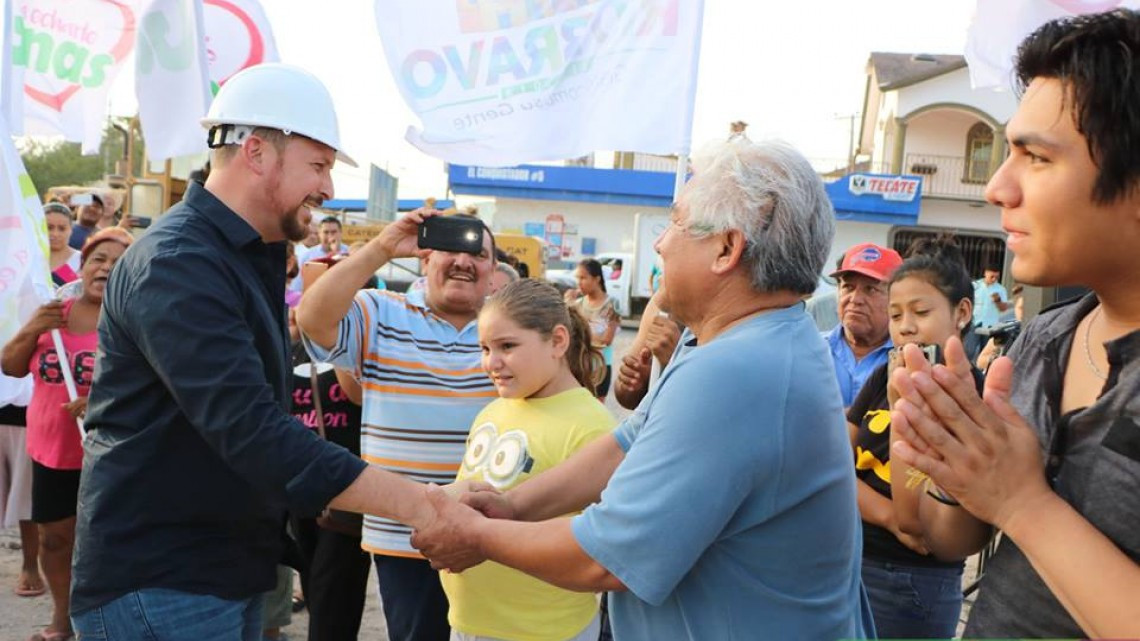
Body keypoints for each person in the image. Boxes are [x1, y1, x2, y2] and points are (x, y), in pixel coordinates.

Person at [411, 138, 873, 640]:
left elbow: (606, 555)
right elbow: (625, 445)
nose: (660, 244)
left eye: (676, 223)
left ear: (726, 248)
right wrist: (513, 507)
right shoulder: (734, 340)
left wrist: (478, 534)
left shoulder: (738, 369)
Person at [68, 64, 442, 640]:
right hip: (164, 583)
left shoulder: (240, 254)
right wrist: (426, 506)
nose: (328, 189)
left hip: (218, 571)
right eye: (318, 165)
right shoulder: (179, 263)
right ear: (257, 152)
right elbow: (254, 431)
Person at [888, 10, 1140, 638]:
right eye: (1006, 153)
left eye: (1036, 157)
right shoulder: (1047, 338)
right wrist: (952, 458)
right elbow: (951, 538)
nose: (998, 188)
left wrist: (1023, 503)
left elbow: (1013, 505)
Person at [297, 205, 499, 640]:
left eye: (478, 254)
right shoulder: (380, 311)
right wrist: (383, 248)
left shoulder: (509, 328)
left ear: (494, 271)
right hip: (406, 536)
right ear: (425, 257)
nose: (463, 261)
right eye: (449, 248)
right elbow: (313, 319)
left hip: (492, 533)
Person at [442, 279, 614, 641]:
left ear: (558, 341)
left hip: (545, 629)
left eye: (507, 346)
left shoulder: (593, 428)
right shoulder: (492, 411)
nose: (491, 362)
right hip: (469, 623)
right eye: (485, 348)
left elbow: (600, 545)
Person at [1, 227, 133, 641]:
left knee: (108, 544)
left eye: (118, 262)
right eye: (98, 259)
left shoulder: (134, 319)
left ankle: (108, 624)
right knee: (55, 540)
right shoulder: (54, 314)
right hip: (52, 451)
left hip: (111, 453)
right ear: (82, 265)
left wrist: (102, 399)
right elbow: (11, 366)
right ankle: (63, 619)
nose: (106, 267)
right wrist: (32, 328)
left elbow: (155, 384)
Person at [846, 237, 978, 639]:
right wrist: (884, 514)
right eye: (895, 314)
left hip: (910, 582)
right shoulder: (884, 375)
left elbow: (914, 520)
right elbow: (830, 463)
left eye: (921, 312)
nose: (905, 326)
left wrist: (902, 409)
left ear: (962, 313)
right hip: (853, 561)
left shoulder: (969, 396)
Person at [825, 243, 902, 406]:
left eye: (870, 289)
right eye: (848, 287)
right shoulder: (812, 349)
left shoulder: (907, 359)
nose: (855, 299)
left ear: (896, 299)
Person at [611, 289, 681, 411]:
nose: (660, 280)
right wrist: (634, 380)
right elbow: (625, 396)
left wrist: (675, 361)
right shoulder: (661, 304)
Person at [569, 259, 619, 400]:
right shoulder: (577, 304)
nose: (579, 282)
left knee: (596, 407)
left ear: (597, 279)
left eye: (583, 278)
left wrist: (582, 333)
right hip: (579, 364)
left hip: (601, 366)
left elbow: (606, 340)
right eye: (578, 278)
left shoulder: (612, 304)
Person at [44, 203, 80, 287]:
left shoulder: (80, 260)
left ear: (71, 230)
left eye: (62, 229)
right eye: (49, 228)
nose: (55, 234)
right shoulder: (28, 259)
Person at [972, 264, 1010, 329]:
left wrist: (998, 300)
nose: (994, 279)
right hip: (974, 323)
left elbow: (1004, 309)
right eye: (992, 277)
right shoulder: (975, 286)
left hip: (990, 326)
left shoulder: (1001, 289)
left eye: (996, 277)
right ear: (985, 273)